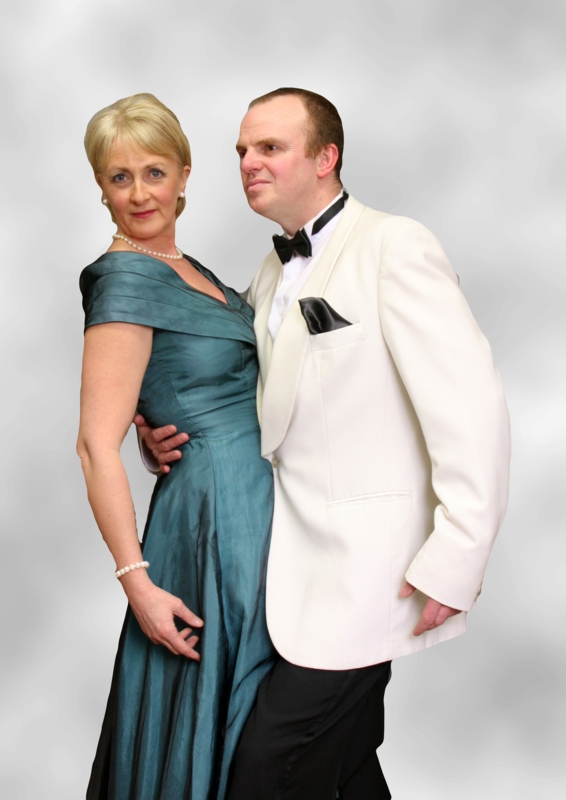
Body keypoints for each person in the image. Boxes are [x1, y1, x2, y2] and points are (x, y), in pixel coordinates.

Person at [140, 88, 511, 799]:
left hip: (375, 574)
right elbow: (251, 397)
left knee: (265, 772)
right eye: (242, 151)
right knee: (343, 771)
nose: (248, 163)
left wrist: (459, 557)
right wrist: (161, 430)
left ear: (326, 157)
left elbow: (472, 409)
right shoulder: (270, 271)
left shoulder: (395, 245)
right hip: (285, 575)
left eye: (269, 148)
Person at [77, 93, 276, 800]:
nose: (139, 193)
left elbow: (175, 378)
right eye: (119, 177)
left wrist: (150, 421)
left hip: (252, 511)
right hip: (209, 527)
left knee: (283, 730)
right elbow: (93, 446)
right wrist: (137, 584)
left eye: (154, 172)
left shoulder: (188, 267)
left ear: (184, 175)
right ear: (101, 186)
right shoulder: (124, 278)